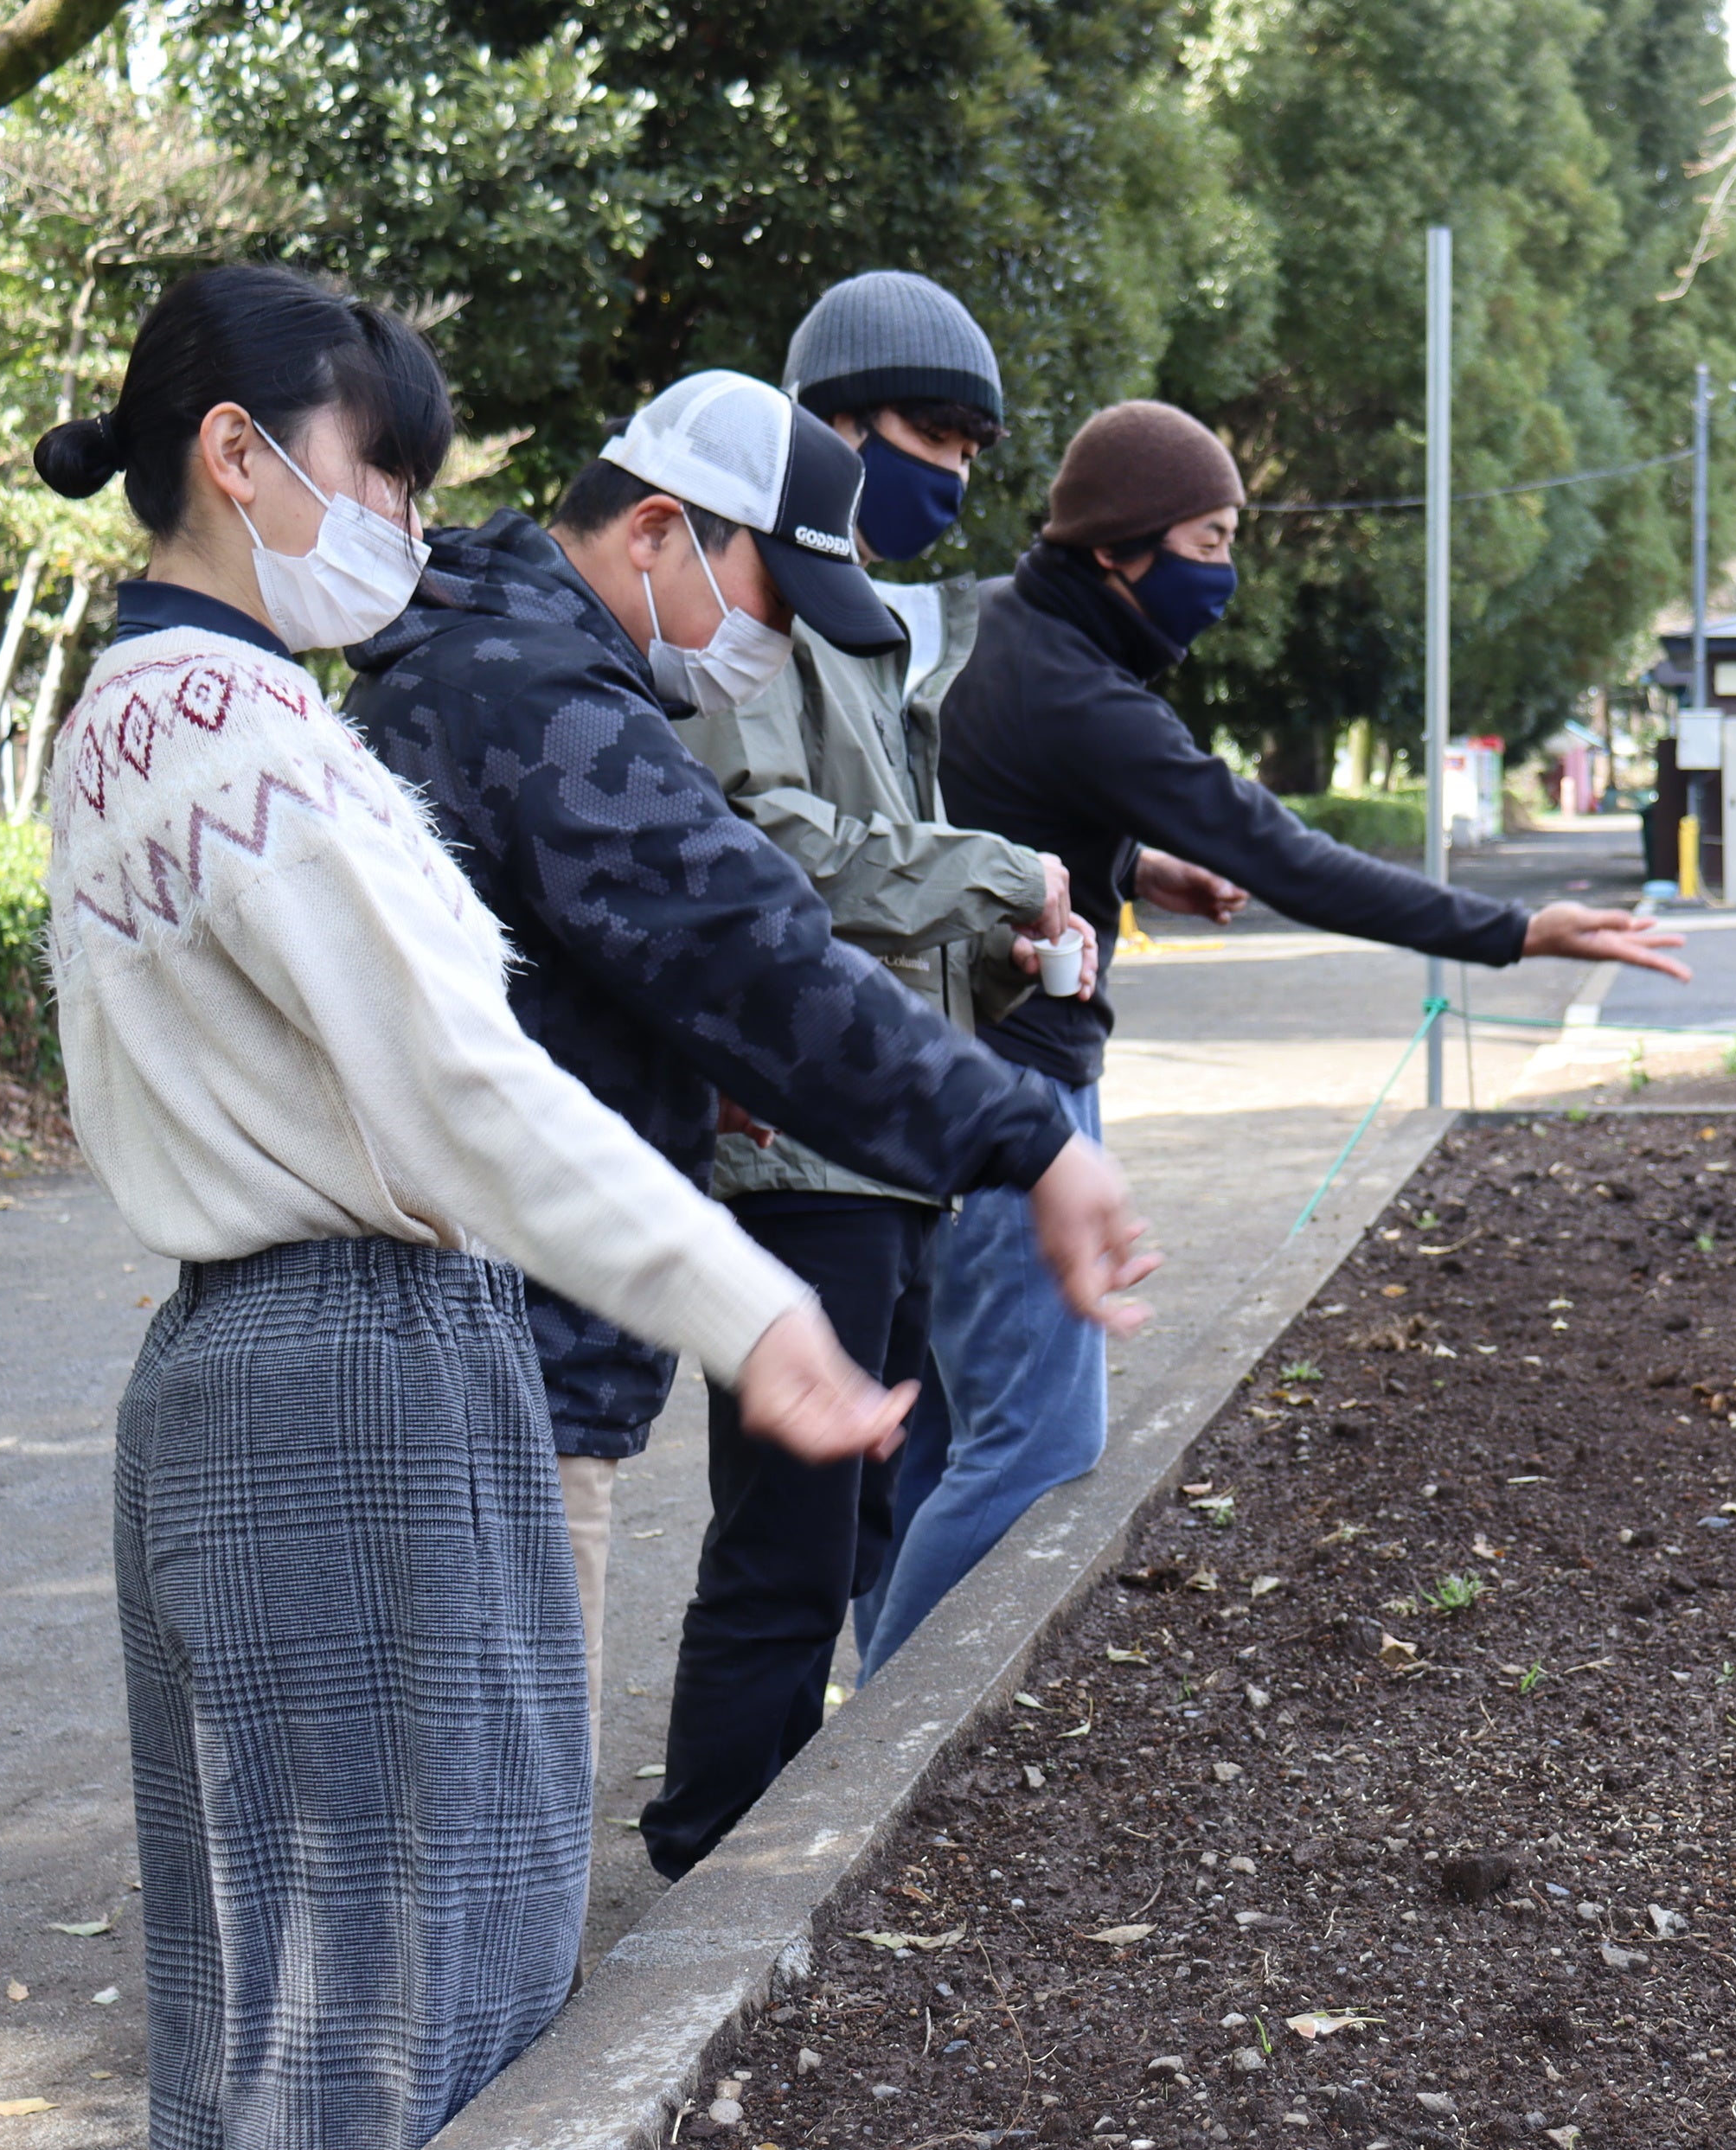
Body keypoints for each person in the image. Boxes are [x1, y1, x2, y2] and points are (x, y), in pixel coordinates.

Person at [34, 266, 913, 2150]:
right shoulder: (240, 737)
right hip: (357, 1362)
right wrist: (746, 1302)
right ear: (236, 455)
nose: (410, 534)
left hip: (233, 1364)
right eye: (386, 478)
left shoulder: (130, 716)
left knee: (271, 1994)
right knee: (407, 2003)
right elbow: (466, 1094)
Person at [342, 369, 1156, 1792]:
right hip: (504, 1363)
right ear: (656, 532)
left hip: (477, 1337)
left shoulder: (492, 663)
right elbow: (755, 952)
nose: (766, 650)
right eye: (765, 604)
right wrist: (1028, 1139)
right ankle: (709, 1860)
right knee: (484, 1856)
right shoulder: (547, 699)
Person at [873, 399, 1692, 1680]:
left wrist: (1132, 866)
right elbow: (1283, 854)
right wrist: (1518, 932)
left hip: (953, 1067)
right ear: (1118, 550)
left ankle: (871, 1692)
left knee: (952, 1437)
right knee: (1030, 1448)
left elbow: (993, 802)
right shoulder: (1084, 692)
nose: (1224, 569)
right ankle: (881, 1736)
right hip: (1017, 1091)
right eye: (1207, 538)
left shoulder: (1011, 630)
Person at [646, 272, 1086, 1874]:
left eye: (976, 440)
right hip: (789, 1145)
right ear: (825, 432)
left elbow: (885, 892)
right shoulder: (751, 619)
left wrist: (1004, 943)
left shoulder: (862, 618)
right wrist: (993, 878)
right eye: (927, 432)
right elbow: (775, 853)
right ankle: (714, 1854)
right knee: (788, 1531)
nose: (956, 467)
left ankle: (820, 1822)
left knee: (875, 1510)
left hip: (883, 1146)